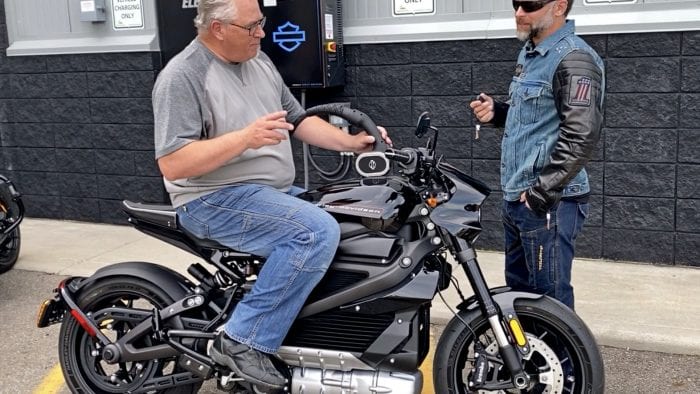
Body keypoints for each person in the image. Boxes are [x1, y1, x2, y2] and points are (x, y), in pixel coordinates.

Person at [152, 0, 391, 390]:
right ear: (217, 28)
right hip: (211, 197)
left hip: (268, 192)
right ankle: (242, 340)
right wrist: (244, 139)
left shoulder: (259, 62)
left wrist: (352, 143)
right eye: (252, 27)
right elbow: (173, 163)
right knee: (313, 232)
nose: (262, 33)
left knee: (354, 215)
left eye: (261, 23)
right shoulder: (183, 76)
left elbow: (298, 122)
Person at [469, 0, 604, 310]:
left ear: (559, 7)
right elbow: (538, 118)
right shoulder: (531, 53)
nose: (519, 13)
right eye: (515, 3)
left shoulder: (575, 59)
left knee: (550, 303)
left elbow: (581, 135)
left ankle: (566, 361)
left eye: (529, 5)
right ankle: (528, 359)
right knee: (522, 297)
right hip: (518, 199)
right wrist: (497, 113)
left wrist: (539, 194)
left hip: (548, 204)